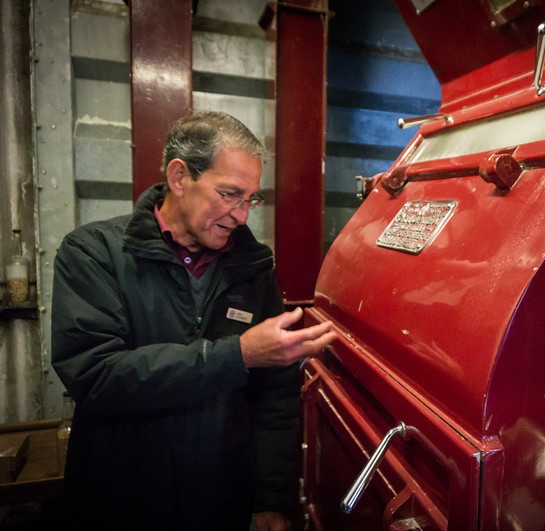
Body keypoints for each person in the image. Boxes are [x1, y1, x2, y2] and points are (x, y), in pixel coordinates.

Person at [51, 111, 336, 531]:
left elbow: (275, 397)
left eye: (251, 199)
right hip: (123, 500)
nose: (242, 216)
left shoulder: (252, 266)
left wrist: (269, 497)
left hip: (221, 502)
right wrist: (236, 355)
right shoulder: (94, 254)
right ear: (180, 176)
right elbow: (96, 376)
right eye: (230, 194)